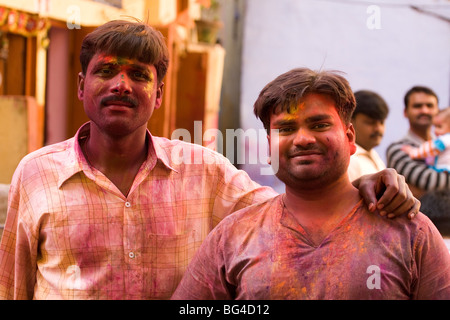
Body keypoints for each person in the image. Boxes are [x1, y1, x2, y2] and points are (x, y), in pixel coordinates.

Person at [0, 21, 419, 300]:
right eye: (106, 71)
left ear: (159, 93)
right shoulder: (36, 174)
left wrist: (365, 183)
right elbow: (11, 287)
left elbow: (290, 213)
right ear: (82, 84)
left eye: (140, 75)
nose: (121, 85)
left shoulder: (205, 170)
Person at [172, 68, 450, 300]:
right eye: (287, 129)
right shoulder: (233, 237)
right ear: (269, 147)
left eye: (318, 125)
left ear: (350, 137)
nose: (303, 138)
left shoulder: (411, 232)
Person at [387, 86, 450, 198]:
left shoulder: (445, 146)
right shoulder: (398, 149)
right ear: (405, 112)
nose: (424, 110)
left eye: (429, 106)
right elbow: (431, 182)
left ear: (438, 111)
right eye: (417, 106)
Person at [348, 90, 388, 181]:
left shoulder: (374, 155)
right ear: (350, 121)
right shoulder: (349, 160)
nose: (378, 129)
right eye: (370, 122)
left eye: (381, 123)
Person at [402, 107, 450, 173]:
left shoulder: (445, 139)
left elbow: (430, 149)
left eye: (439, 126)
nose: (435, 130)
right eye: (435, 126)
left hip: (444, 168)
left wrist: (413, 152)